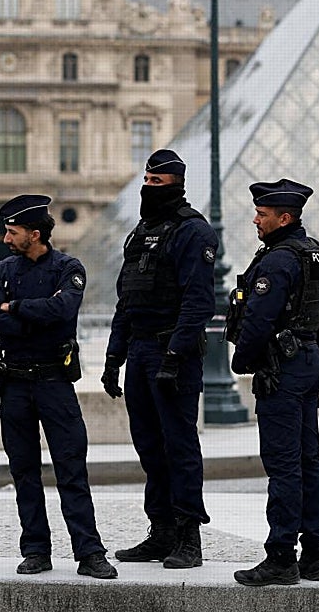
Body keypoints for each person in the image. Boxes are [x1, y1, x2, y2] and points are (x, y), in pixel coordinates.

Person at [0, 194, 117, 580]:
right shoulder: (2, 270)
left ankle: (89, 552)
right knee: (24, 472)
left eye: (12, 232)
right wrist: (33, 313)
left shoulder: (68, 268)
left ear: (34, 234)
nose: (6, 238)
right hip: (15, 384)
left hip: (55, 383)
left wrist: (15, 308)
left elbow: (63, 312)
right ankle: (36, 550)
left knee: (72, 470)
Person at [101, 149, 217, 569]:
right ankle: (161, 530)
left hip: (173, 353)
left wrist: (174, 354)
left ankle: (189, 536)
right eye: (146, 182)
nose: (148, 189)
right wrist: (114, 357)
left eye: (156, 184)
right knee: (149, 446)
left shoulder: (193, 232)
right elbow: (126, 299)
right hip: (139, 352)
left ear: (176, 185)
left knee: (179, 446)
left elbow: (198, 302)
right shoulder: (139, 232)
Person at [227, 179, 319, 586]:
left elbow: (257, 321)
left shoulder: (277, 261)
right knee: (310, 461)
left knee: (284, 465)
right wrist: (306, 349)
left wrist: (247, 360)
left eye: (262, 214)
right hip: (307, 360)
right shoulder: (316, 254)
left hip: (281, 369)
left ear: (284, 217)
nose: (255, 219)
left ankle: (281, 557)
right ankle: (315, 555)